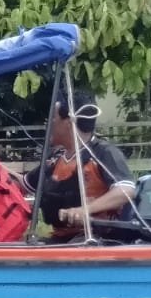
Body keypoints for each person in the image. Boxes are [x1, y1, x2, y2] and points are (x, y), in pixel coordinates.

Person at [21, 88, 136, 242]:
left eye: (53, 119)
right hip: (62, 240)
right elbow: (22, 184)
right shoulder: (56, 160)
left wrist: (84, 210)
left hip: (97, 240)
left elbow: (126, 190)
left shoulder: (103, 153)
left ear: (68, 123)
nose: (49, 124)